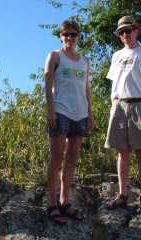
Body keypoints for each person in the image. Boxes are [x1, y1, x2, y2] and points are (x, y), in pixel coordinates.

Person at [104, 16, 141, 214]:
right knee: (122, 151)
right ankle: (122, 194)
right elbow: (114, 83)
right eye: (122, 32)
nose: (125, 34)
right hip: (119, 105)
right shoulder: (117, 55)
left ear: (136, 30)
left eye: (128, 30)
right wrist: (113, 105)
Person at [44, 19, 95, 225]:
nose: (70, 38)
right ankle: (51, 203)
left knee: (72, 159)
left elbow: (86, 89)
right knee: (56, 158)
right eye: (66, 34)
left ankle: (65, 200)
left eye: (73, 34)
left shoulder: (84, 61)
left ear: (78, 36)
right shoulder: (55, 56)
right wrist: (50, 110)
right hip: (61, 111)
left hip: (80, 114)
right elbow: (47, 84)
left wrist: (90, 114)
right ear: (61, 36)